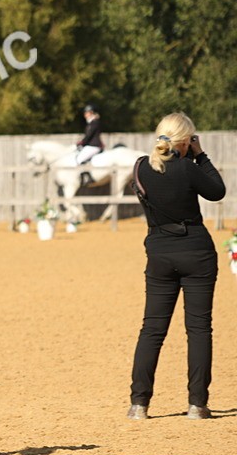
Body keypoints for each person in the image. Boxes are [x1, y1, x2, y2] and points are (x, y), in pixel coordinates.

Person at [127, 113, 226, 420]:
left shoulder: (142, 167)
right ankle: (197, 404)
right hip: (196, 251)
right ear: (186, 140)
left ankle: (138, 404)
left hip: (159, 253)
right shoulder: (188, 168)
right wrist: (200, 155)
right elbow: (217, 191)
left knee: (152, 330)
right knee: (198, 329)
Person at [75, 105, 104, 187]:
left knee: (79, 159)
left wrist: (82, 143)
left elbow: (89, 135)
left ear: (91, 113)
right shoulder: (91, 122)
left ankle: (87, 177)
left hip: (94, 145)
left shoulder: (94, 122)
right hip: (91, 145)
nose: (85, 115)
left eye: (86, 113)